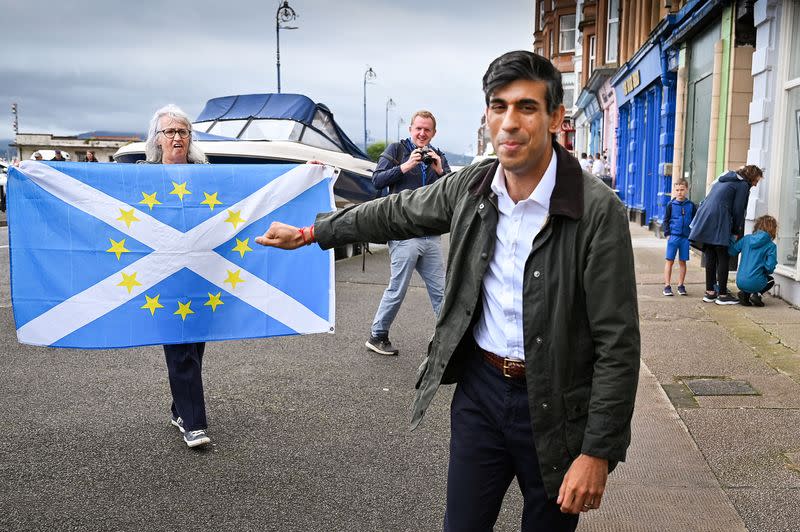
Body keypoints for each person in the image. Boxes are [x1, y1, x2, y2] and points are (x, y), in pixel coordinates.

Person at [255, 50, 640, 531]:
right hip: (482, 392)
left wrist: (597, 452)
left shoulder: (596, 210)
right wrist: (313, 233)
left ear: (556, 118)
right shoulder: (472, 186)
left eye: (526, 107)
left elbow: (617, 343)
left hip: (557, 404)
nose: (510, 123)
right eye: (499, 107)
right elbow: (395, 211)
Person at [143, 104, 212, 448]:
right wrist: (32, 172)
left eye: (183, 131)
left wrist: (305, 172)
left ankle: (179, 407)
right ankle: (194, 423)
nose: (177, 137)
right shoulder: (143, 175)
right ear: (157, 139)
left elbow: (248, 185)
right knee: (181, 346)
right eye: (169, 131)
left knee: (195, 344)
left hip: (199, 274)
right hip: (162, 275)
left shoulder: (204, 174)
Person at [365, 110, 449, 356]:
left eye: (427, 130)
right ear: (411, 129)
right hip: (403, 233)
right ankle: (378, 335)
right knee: (398, 288)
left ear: (433, 133)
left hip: (430, 234)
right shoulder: (396, 150)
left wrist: (441, 171)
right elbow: (377, 180)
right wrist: (405, 166)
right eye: (418, 129)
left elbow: (455, 191)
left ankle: (448, 340)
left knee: (441, 290)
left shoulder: (438, 156)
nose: (422, 133)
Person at [688, 164, 763, 305]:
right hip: (719, 219)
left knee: (710, 254)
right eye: (756, 181)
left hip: (706, 216)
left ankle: (710, 293)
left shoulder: (725, 179)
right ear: (751, 177)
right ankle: (722, 295)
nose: (755, 184)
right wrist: (735, 231)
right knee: (723, 256)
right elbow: (738, 210)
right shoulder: (742, 185)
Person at [728, 214, 777, 307]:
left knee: (751, 280)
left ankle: (745, 295)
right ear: (772, 229)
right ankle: (757, 295)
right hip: (756, 282)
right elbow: (770, 267)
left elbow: (732, 251)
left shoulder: (746, 239)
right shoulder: (771, 246)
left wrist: (732, 239)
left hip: (740, 281)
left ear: (757, 226)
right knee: (770, 280)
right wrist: (765, 271)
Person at [661, 179, 697, 296]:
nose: (679, 192)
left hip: (685, 238)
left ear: (687, 190)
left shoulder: (691, 205)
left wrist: (692, 235)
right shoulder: (670, 205)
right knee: (669, 261)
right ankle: (667, 286)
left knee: (683, 262)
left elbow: (695, 221)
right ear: (674, 191)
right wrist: (667, 234)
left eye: (682, 190)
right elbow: (666, 220)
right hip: (673, 237)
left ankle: (681, 285)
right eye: (677, 190)